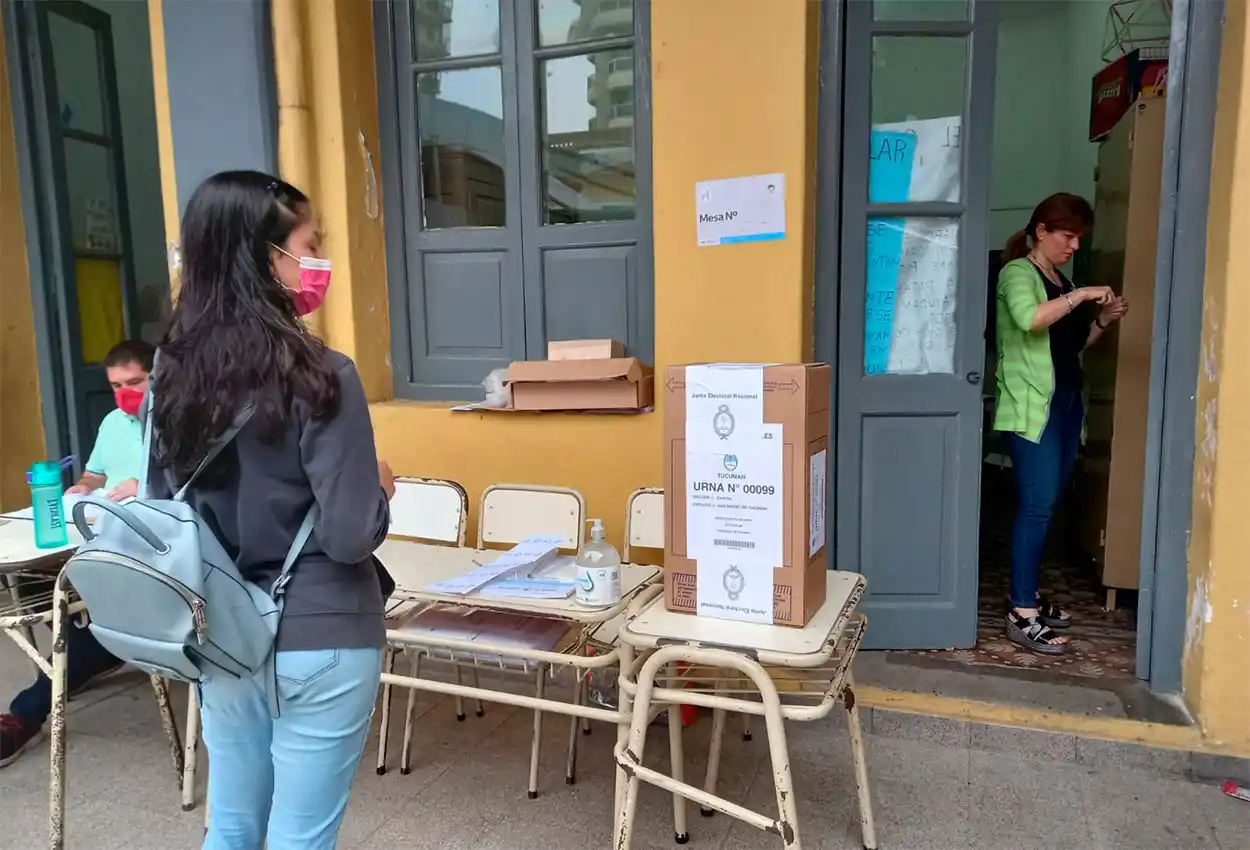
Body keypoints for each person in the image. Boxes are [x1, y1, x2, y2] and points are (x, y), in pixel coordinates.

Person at [147, 171, 395, 849]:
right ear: (267, 258)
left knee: (231, 826)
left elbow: (159, 515)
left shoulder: (169, 374)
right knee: (299, 838)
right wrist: (376, 489)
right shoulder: (322, 373)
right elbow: (348, 536)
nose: (319, 261)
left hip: (222, 631)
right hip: (323, 632)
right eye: (309, 244)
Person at [0, 339, 155, 767]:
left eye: (136, 382)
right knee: (35, 577)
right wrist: (84, 487)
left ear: (158, 377)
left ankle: (25, 712)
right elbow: (94, 472)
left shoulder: (179, 422)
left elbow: (198, 484)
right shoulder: (112, 423)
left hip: (151, 547)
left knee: (88, 617)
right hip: (99, 528)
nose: (126, 393)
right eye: (116, 385)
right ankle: (83, 645)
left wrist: (146, 488)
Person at [994, 192, 1129, 655]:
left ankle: (1028, 593)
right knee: (1036, 505)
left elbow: (1070, 346)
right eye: (1068, 236)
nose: (1073, 245)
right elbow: (1029, 320)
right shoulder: (1019, 274)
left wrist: (1104, 321)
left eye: (1078, 238)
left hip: (1065, 404)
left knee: (1050, 504)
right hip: (1032, 408)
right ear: (1042, 232)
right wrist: (1082, 294)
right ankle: (1021, 611)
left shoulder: (1056, 277)